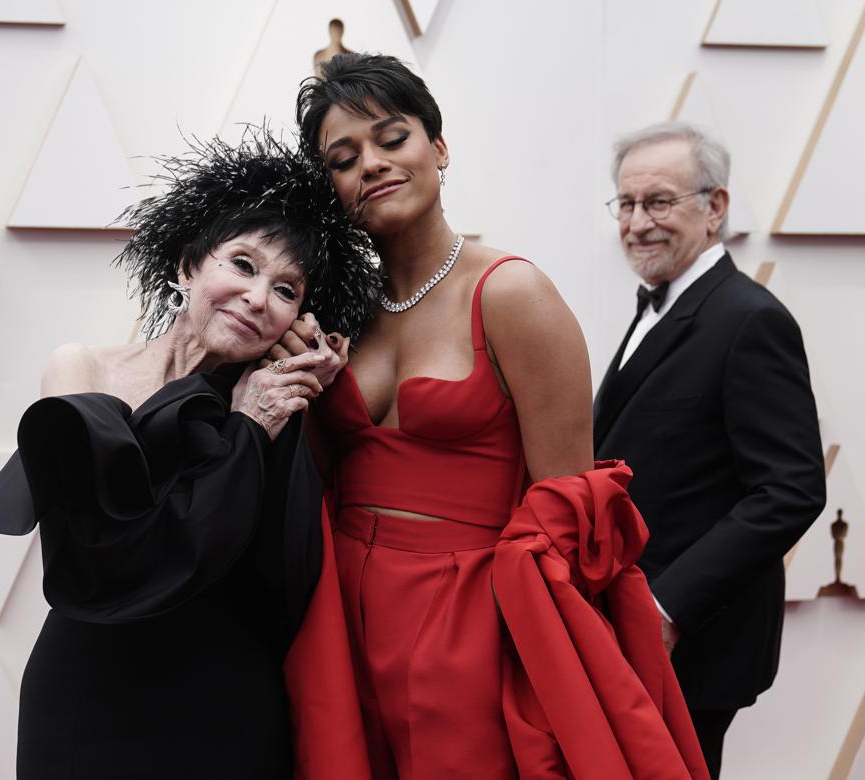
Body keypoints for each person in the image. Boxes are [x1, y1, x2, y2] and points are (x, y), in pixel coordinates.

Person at [285, 53, 708, 779]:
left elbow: (568, 510)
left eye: (393, 138)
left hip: (472, 627)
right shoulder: (334, 310)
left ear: (438, 148)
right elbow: (322, 476)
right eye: (344, 156)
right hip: (343, 613)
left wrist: (523, 656)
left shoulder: (511, 293)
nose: (374, 165)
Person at [0, 130, 379, 779]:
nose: (258, 298)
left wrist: (291, 407)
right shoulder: (82, 368)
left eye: (288, 290)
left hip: (224, 703)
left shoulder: (278, 402)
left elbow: (284, 579)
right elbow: (106, 557)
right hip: (88, 695)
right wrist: (244, 428)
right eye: (242, 264)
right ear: (187, 264)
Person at [593, 121, 826, 779]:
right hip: (629, 628)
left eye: (659, 202)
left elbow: (791, 488)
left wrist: (668, 608)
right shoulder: (662, 308)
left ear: (715, 207)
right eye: (627, 204)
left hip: (690, 640)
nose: (638, 223)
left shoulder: (750, 318)